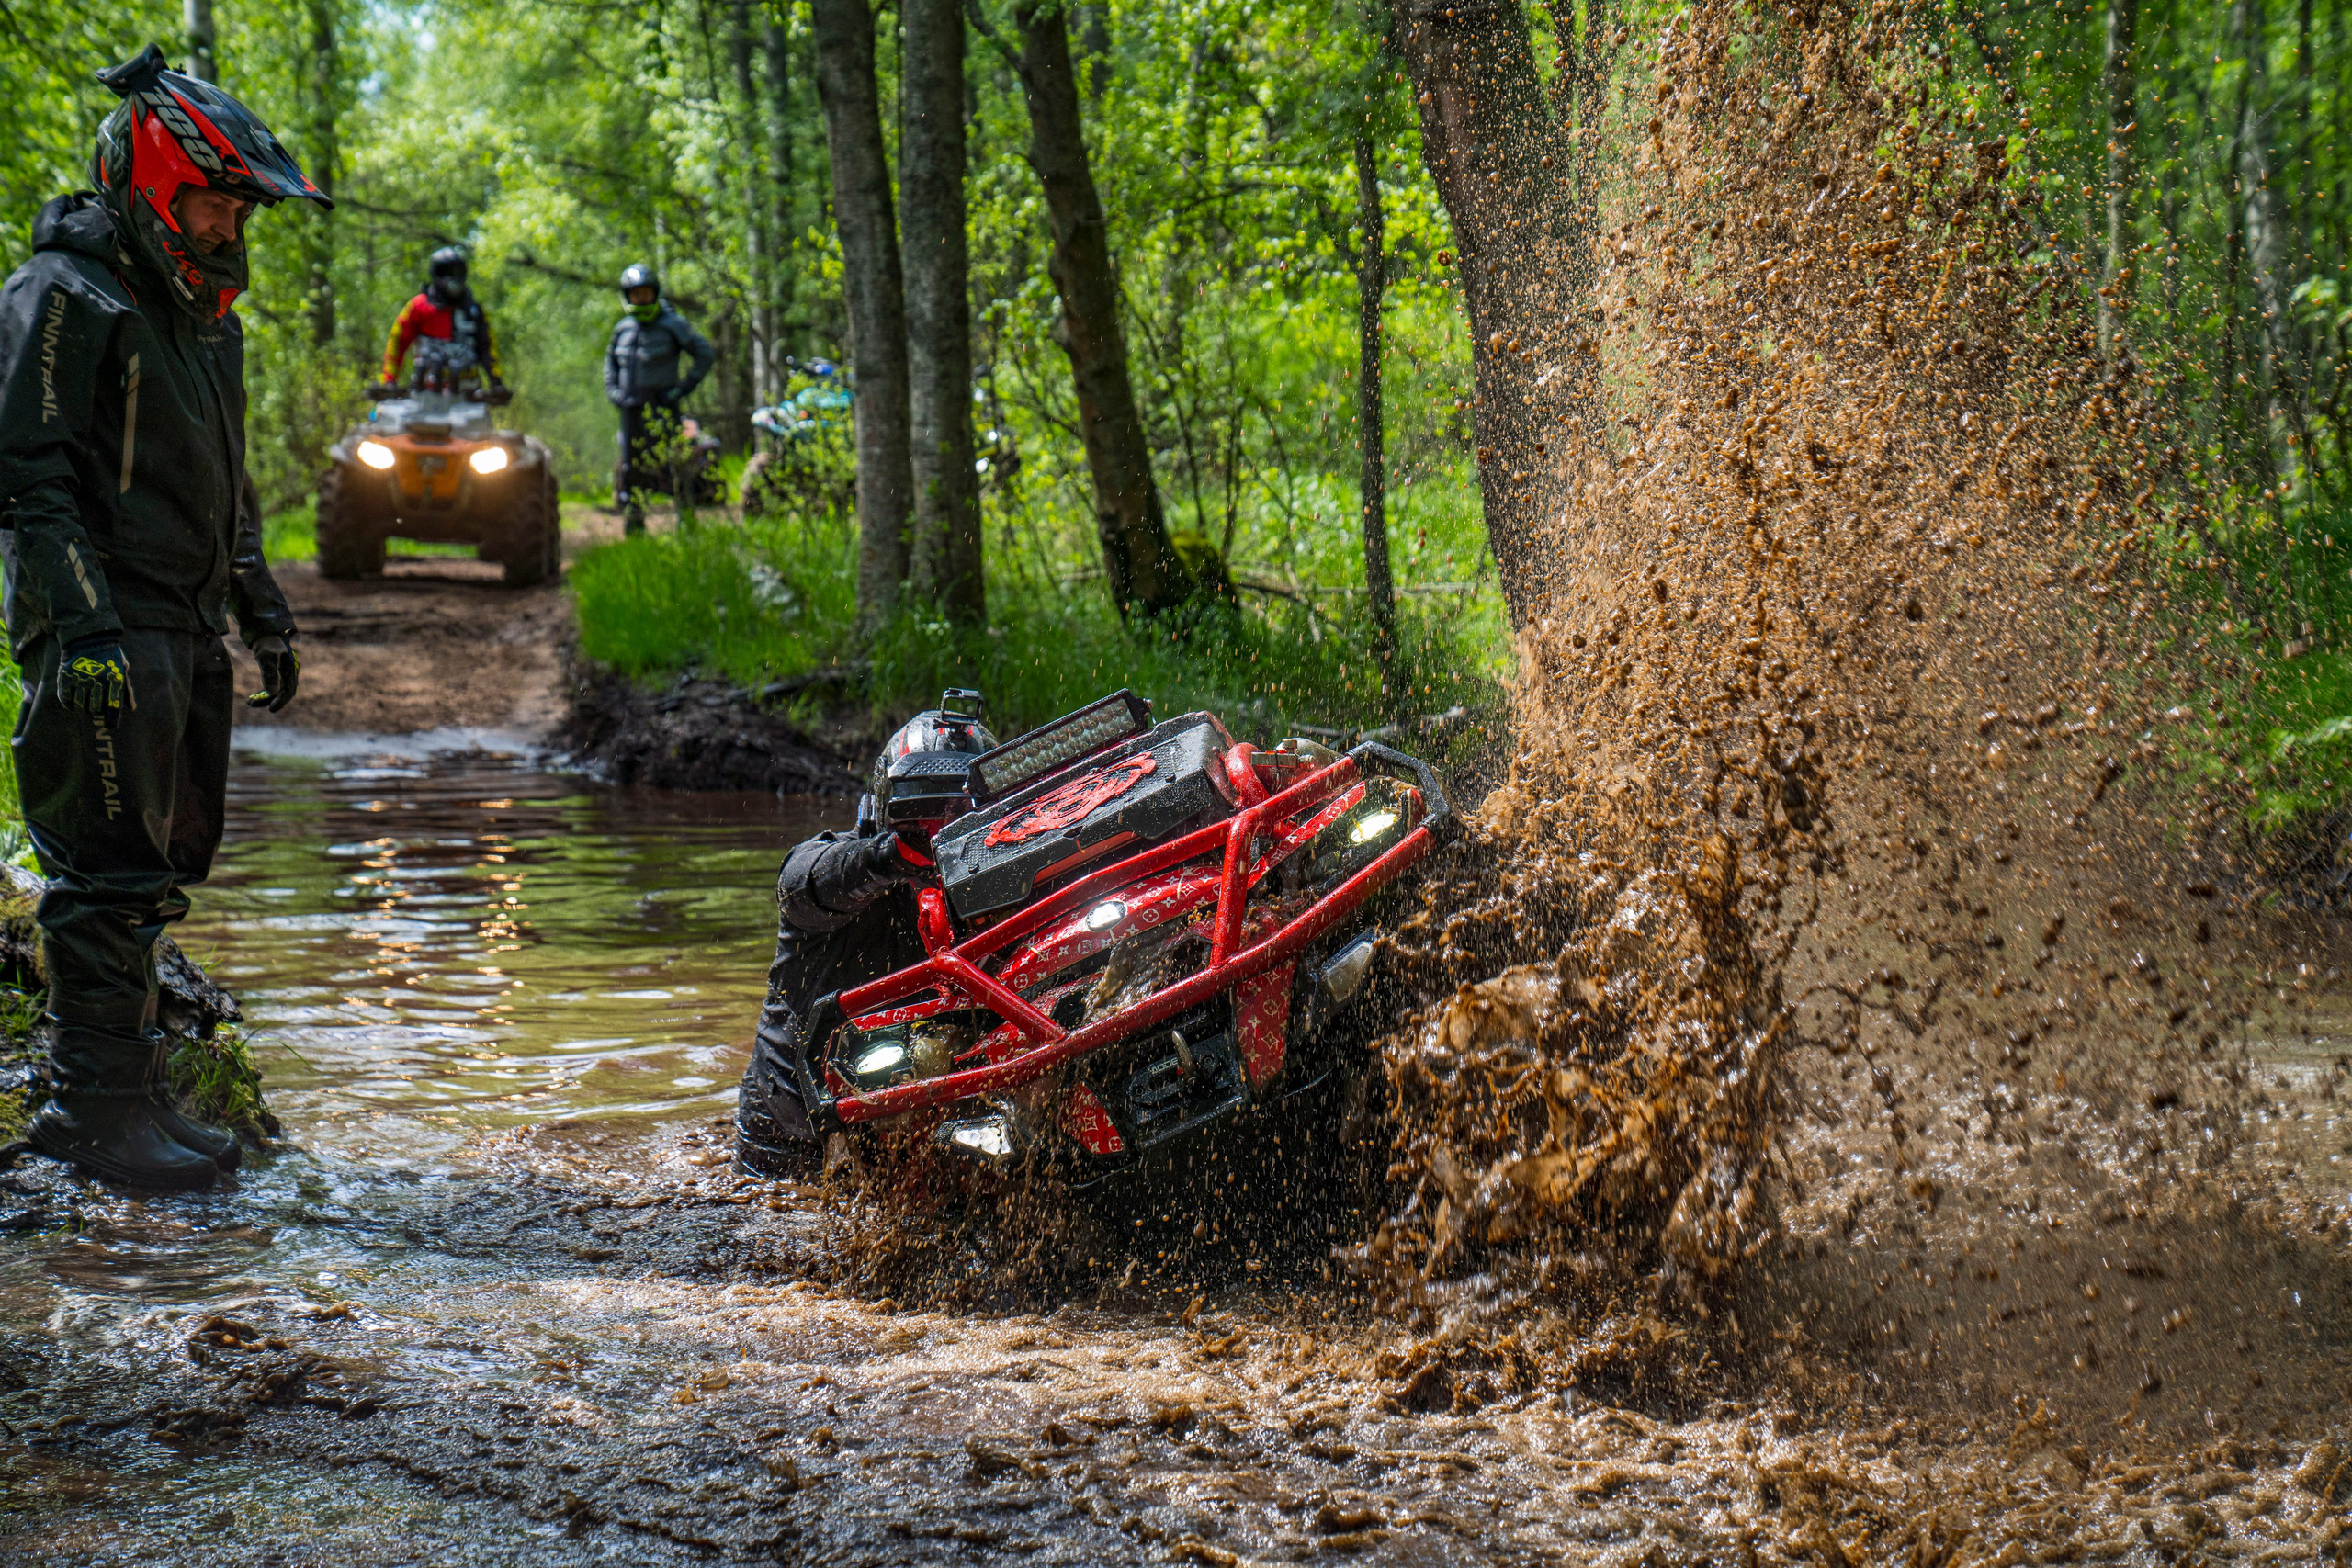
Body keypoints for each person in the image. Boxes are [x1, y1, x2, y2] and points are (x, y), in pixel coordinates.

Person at [0, 44, 320, 1190]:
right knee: (100, 871)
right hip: (104, 623)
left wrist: (261, 605)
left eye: (240, 209)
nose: (229, 227)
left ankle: (130, 1098)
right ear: (148, 185)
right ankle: (87, 1114)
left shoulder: (202, 318)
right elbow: (26, 475)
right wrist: (82, 626)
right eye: (211, 203)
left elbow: (226, 480)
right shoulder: (63, 292)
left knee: (157, 864)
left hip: (183, 623)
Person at [735, 693, 997, 1177]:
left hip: (927, 1118)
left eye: (963, 812)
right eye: (926, 810)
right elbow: (803, 885)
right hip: (792, 1135)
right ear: (885, 809)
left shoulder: (1004, 883)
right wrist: (893, 857)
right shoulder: (831, 869)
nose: (943, 828)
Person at [604, 263, 714, 535]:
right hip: (631, 409)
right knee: (632, 469)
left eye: (645, 293)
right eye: (635, 294)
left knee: (675, 465)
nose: (641, 298)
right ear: (627, 296)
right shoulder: (623, 329)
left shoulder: (673, 324)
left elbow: (704, 354)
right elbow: (610, 363)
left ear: (655, 293)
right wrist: (613, 391)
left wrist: (683, 388)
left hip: (664, 407)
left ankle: (687, 527)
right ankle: (635, 528)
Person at [378, 246, 503, 397]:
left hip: (468, 396)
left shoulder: (474, 310)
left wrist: (496, 382)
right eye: (446, 272)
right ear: (436, 274)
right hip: (423, 394)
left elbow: (487, 347)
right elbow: (397, 342)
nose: (453, 278)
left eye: (457, 272)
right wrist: (389, 381)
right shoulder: (418, 306)